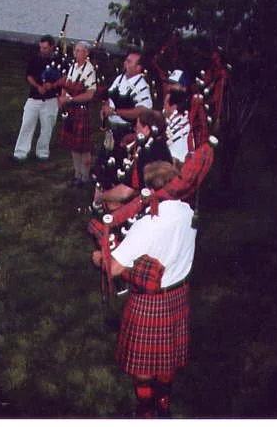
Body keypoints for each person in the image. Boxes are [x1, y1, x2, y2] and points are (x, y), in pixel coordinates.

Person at [91, 161, 196, 418]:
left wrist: (97, 257)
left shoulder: (148, 225)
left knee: (145, 361)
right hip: (178, 293)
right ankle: (163, 401)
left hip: (151, 301)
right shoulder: (188, 211)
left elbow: (114, 268)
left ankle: (146, 411)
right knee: (167, 355)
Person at [95, 110, 172, 210]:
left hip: (149, 204)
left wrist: (101, 196)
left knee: (112, 204)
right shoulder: (161, 144)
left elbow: (127, 192)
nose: (135, 129)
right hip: (162, 197)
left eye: (137, 126)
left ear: (147, 130)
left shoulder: (146, 153)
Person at [12, 35, 62, 162]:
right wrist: (38, 86)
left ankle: (42, 153)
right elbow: (29, 76)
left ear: (52, 47)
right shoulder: (34, 59)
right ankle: (20, 152)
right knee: (27, 124)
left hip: (51, 99)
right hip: (34, 98)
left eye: (45, 48)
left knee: (47, 127)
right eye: (41, 48)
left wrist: (53, 85)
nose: (42, 50)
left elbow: (64, 78)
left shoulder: (59, 60)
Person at [58, 41, 97, 185]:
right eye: (76, 50)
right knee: (73, 145)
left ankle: (85, 176)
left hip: (81, 111)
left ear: (86, 53)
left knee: (84, 148)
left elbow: (90, 94)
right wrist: (62, 98)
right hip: (71, 110)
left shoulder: (90, 70)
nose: (76, 53)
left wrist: (71, 100)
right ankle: (77, 174)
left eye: (80, 51)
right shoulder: (73, 67)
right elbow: (66, 85)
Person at [101, 51, 153, 143]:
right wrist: (105, 108)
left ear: (138, 68)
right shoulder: (120, 78)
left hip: (128, 133)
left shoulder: (142, 86)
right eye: (126, 61)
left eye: (129, 62)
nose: (125, 63)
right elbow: (110, 97)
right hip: (112, 130)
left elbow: (142, 111)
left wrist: (115, 112)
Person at [163, 69, 192, 166]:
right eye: (169, 83)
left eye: (173, 84)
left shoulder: (185, 118)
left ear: (184, 88)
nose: (169, 87)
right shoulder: (167, 106)